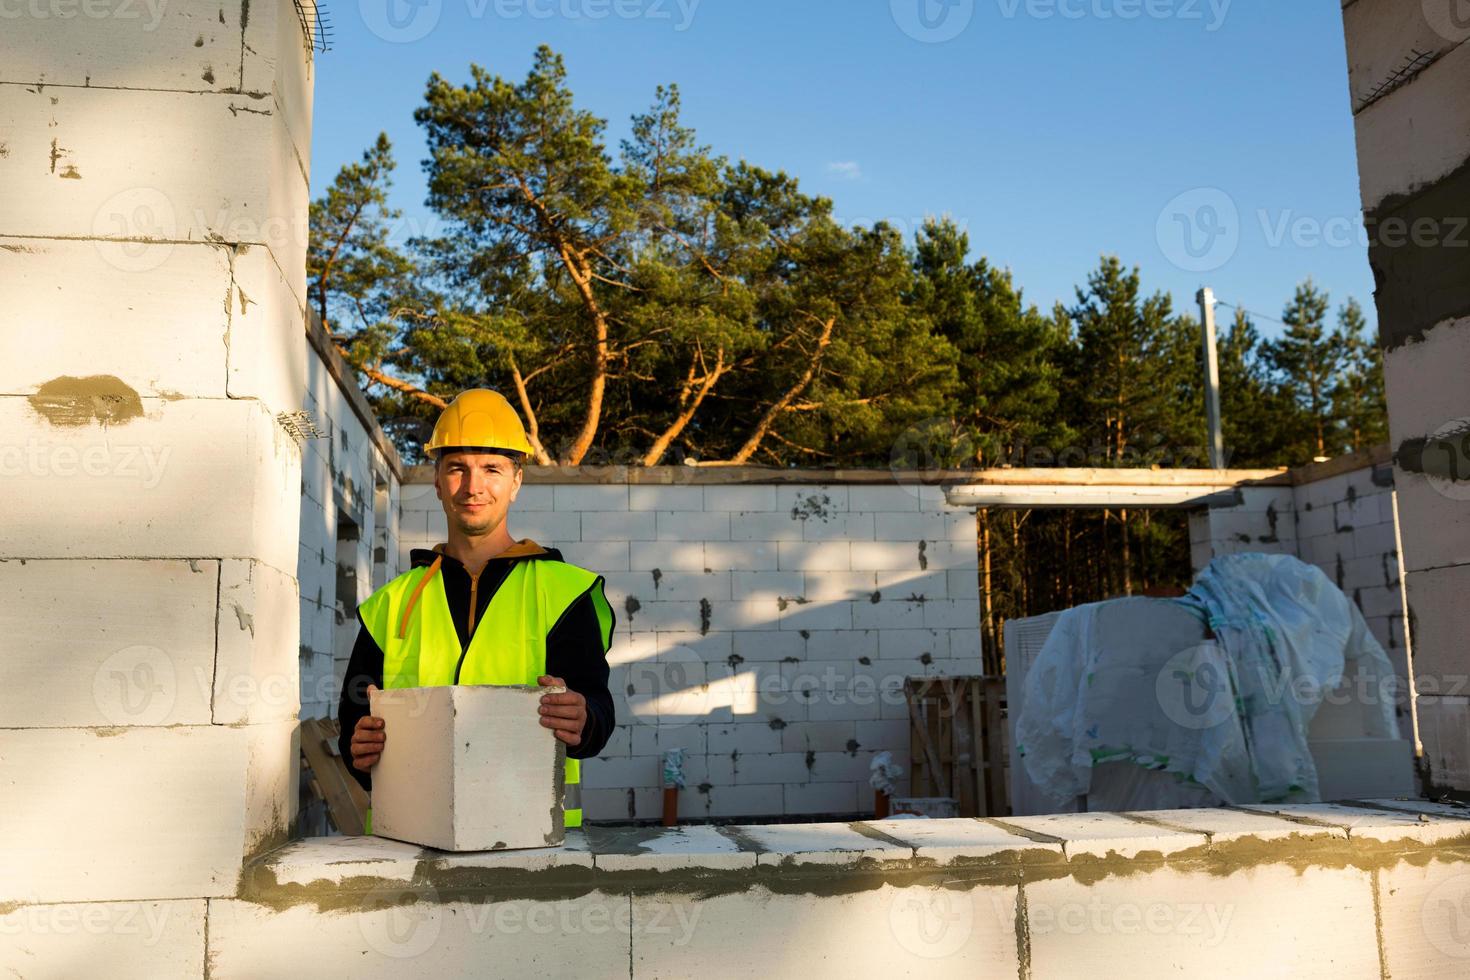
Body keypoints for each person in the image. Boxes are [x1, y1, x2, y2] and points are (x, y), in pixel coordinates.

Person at [336, 389, 615, 829]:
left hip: (529, 840)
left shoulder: (565, 592)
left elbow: (598, 709)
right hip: (409, 841)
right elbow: (354, 716)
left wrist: (585, 717)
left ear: (516, 481)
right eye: (457, 469)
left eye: (492, 469)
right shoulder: (391, 604)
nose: (473, 487)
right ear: (436, 480)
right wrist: (358, 747)